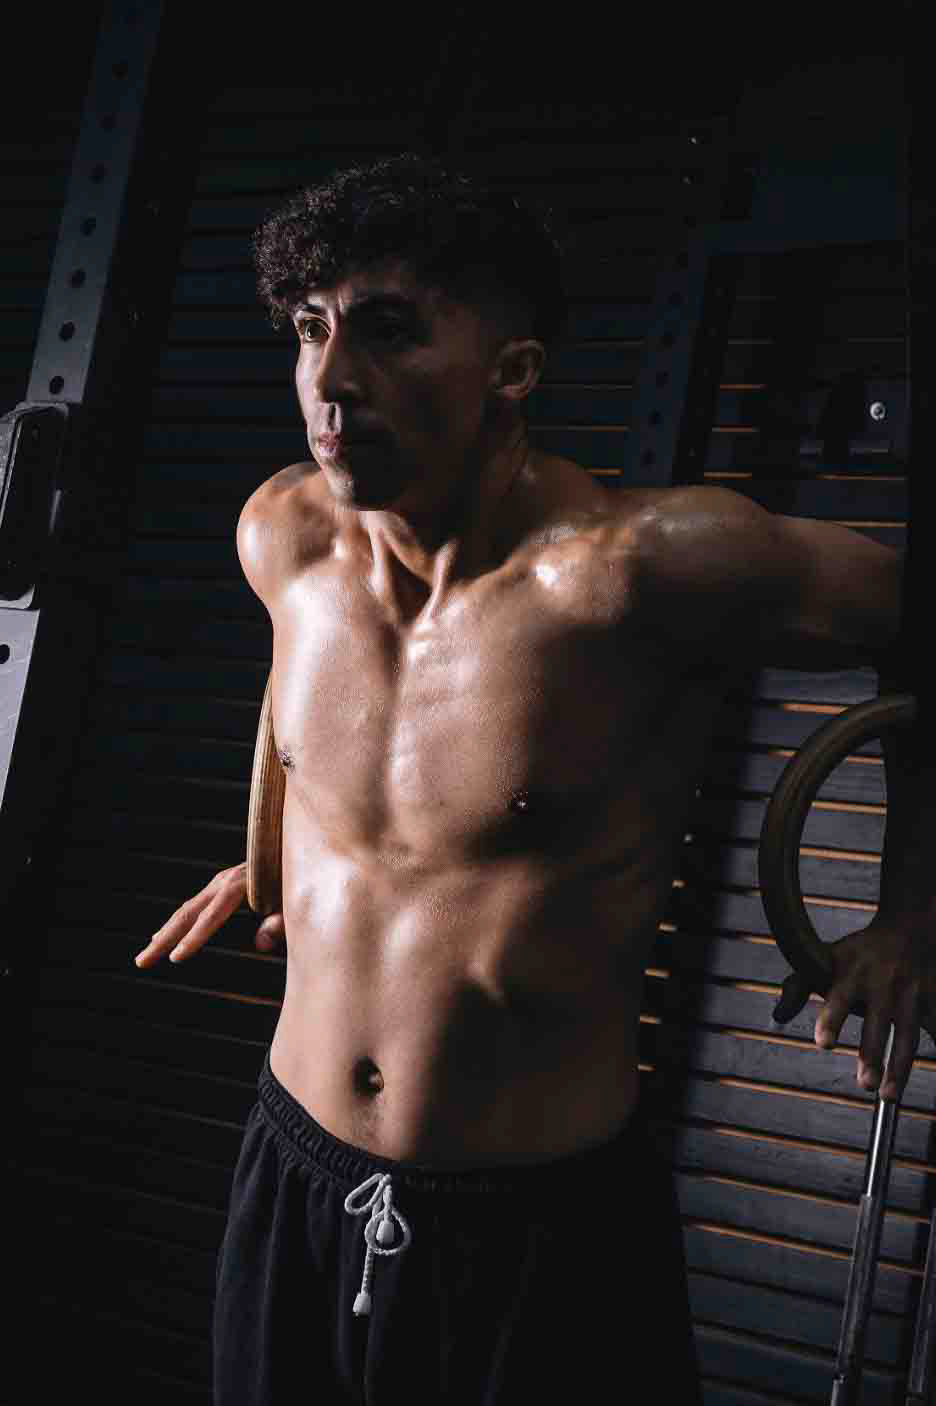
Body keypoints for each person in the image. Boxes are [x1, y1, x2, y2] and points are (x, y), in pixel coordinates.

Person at [133, 153, 936, 1405]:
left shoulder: (640, 569)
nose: (330, 380)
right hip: (294, 1168)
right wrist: (282, 840)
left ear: (512, 369)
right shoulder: (281, 533)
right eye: (310, 327)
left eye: (388, 331)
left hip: (532, 1227)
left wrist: (912, 910)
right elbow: (309, 703)